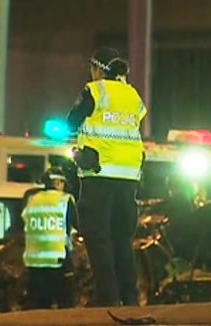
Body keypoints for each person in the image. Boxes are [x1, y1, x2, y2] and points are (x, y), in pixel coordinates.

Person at [66, 46, 148, 307]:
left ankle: (108, 298)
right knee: (122, 241)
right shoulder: (133, 95)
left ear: (99, 69)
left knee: (98, 238)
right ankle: (130, 298)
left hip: (98, 175)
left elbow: (71, 122)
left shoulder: (95, 90)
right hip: (128, 179)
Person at [21, 167, 79, 309]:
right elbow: (78, 225)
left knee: (38, 308)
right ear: (58, 183)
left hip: (34, 263)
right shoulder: (64, 200)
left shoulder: (31, 200)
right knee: (66, 306)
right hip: (58, 261)